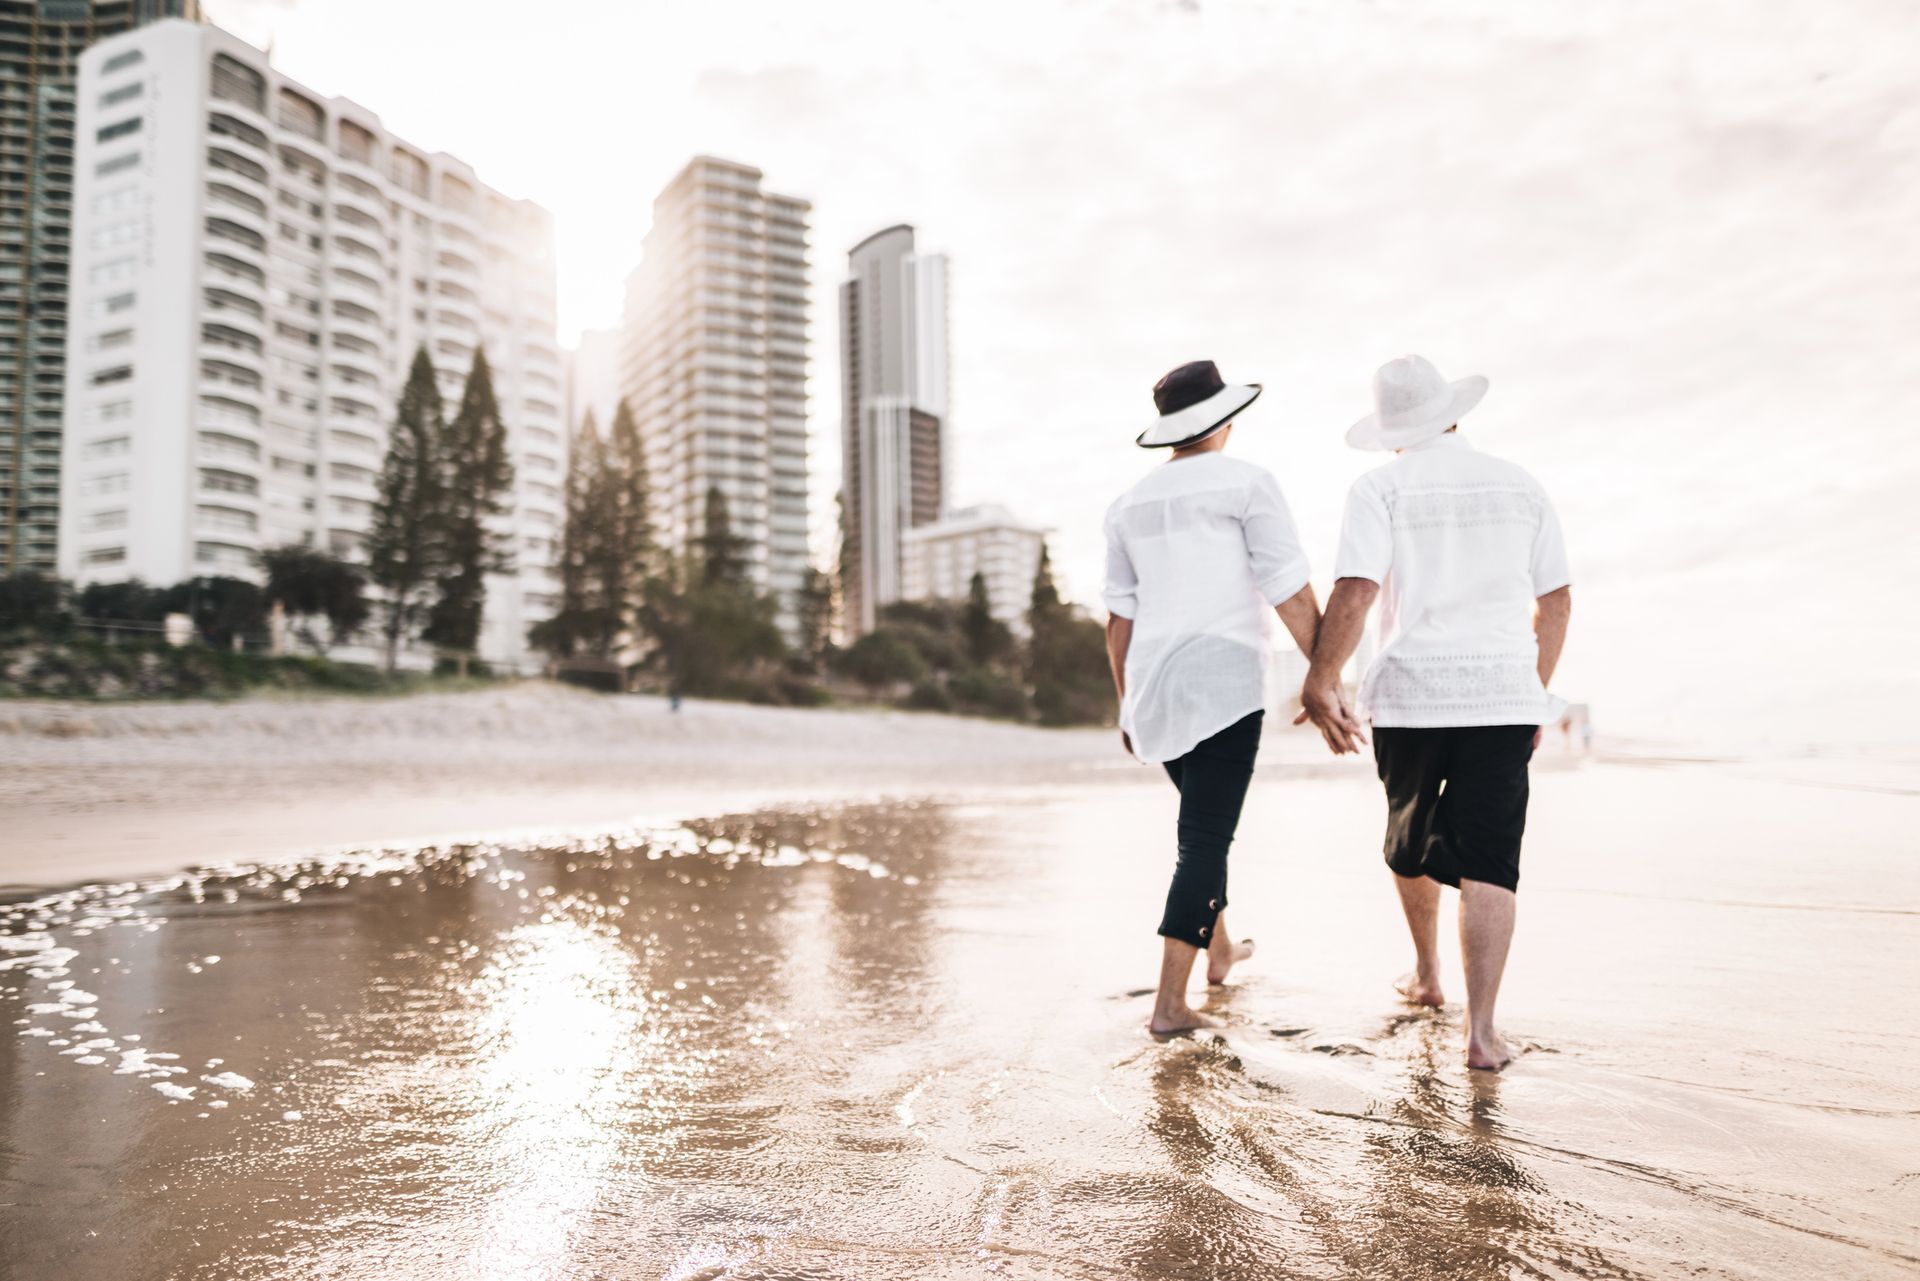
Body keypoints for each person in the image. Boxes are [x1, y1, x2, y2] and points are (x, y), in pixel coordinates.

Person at [1300, 354, 1572, 1070]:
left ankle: (1426, 974)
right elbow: (1558, 601)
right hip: (1502, 695)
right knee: (1492, 859)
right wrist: (1534, 687)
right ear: (1454, 413)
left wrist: (1320, 678)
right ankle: (1481, 1034)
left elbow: (1356, 591)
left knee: (1408, 832)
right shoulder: (1521, 485)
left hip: (1411, 695)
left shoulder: (1379, 487)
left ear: (1393, 431)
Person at [1104, 360, 1323, 1034]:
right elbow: (1287, 585)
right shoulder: (1248, 482)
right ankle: (1169, 1005)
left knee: (1202, 825)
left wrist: (1125, 702)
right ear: (1222, 420)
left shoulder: (1128, 503)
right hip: (1226, 680)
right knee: (1204, 838)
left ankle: (1220, 950)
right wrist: (1326, 671)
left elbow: (1118, 618)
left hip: (1156, 689)